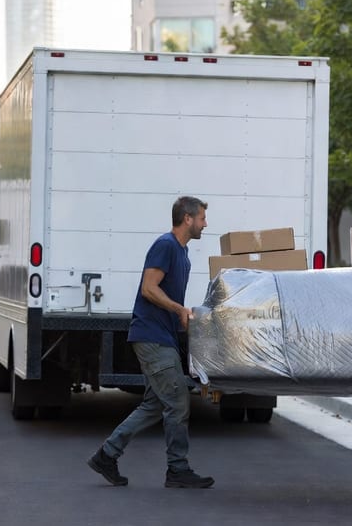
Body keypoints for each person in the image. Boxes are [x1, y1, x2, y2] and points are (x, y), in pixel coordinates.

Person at [87, 196, 214, 489]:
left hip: (162, 336)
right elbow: (148, 288)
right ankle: (177, 469)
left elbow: (166, 297)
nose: (205, 224)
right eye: (202, 218)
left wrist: (185, 315)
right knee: (179, 400)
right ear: (187, 218)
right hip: (151, 337)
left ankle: (106, 454)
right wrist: (178, 309)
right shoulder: (166, 246)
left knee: (155, 405)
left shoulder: (183, 254)